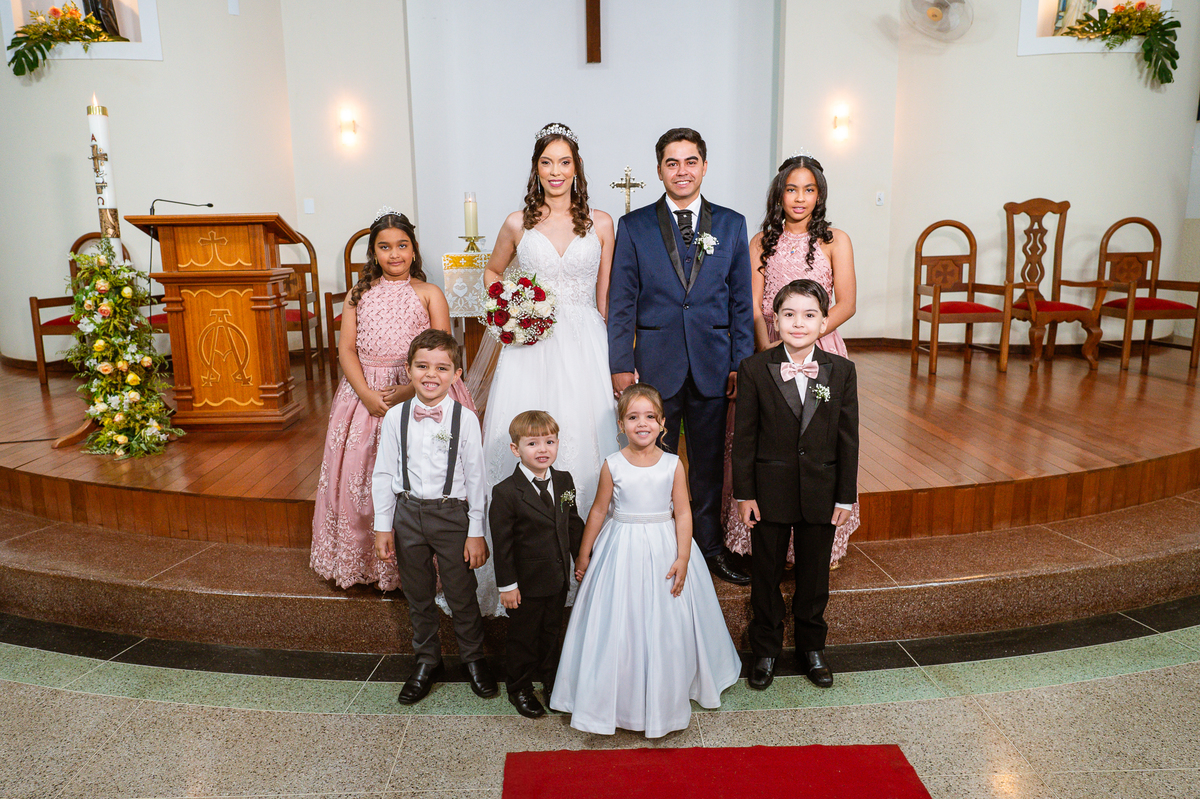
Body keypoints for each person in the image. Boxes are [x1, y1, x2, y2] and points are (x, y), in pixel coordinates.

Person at [477, 123, 618, 616]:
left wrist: (617, 355)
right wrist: (513, 305)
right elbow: (492, 271)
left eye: (564, 162)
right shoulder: (518, 222)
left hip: (585, 342)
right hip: (532, 345)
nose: (556, 172)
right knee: (528, 430)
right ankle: (521, 566)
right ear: (535, 169)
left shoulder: (601, 223)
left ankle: (586, 564)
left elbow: (605, 294)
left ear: (576, 168)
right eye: (546, 162)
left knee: (586, 436)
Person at [607, 127, 756, 586]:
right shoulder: (634, 227)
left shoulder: (731, 224)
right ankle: (661, 548)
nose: (682, 171)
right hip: (656, 364)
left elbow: (741, 303)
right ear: (659, 170)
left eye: (691, 161)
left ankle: (708, 549)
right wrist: (621, 364)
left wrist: (740, 363)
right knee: (656, 462)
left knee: (708, 466)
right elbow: (621, 302)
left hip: (714, 365)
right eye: (672, 163)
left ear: (704, 167)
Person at [551, 384, 740, 738]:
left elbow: (683, 513)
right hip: (620, 546)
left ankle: (669, 689)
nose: (642, 423)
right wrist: (584, 553)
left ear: (663, 423)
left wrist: (683, 557)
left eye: (650, 417)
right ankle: (616, 696)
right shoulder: (612, 465)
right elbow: (598, 511)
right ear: (621, 424)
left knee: (667, 621)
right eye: (633, 417)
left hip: (665, 546)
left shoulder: (672, 464)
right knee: (619, 621)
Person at [311, 209, 474, 591]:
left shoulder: (429, 293)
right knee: (364, 474)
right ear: (374, 252)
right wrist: (366, 394)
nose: (394, 254)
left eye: (402, 245)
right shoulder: (358, 295)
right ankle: (368, 562)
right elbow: (346, 349)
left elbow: (443, 352)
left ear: (414, 250)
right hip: (365, 393)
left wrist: (409, 390)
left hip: (421, 387)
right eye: (385, 247)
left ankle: (427, 563)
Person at [722, 155, 860, 569]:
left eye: (809, 190)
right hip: (770, 345)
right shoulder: (761, 242)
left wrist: (811, 332)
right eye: (792, 189)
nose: (800, 198)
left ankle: (815, 545)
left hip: (819, 344)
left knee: (819, 440)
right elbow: (752, 304)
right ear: (779, 194)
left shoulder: (835, 240)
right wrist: (770, 348)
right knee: (768, 439)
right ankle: (768, 541)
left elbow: (847, 302)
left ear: (819, 195)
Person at [733, 280, 859, 691]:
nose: (798, 323)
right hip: (769, 490)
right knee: (766, 573)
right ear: (775, 320)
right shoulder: (755, 369)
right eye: (789, 314)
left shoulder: (842, 371)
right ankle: (766, 649)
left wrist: (845, 497)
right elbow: (744, 437)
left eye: (809, 315)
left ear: (824, 322)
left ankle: (812, 647)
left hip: (822, 490)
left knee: (814, 575)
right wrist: (745, 494)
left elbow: (848, 439)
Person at [372, 329, 496, 704]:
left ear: (456, 374)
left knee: (461, 594)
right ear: (408, 369)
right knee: (419, 594)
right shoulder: (395, 417)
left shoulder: (465, 419)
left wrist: (476, 531)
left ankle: (473, 659)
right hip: (408, 513)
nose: (431, 375)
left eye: (442, 368)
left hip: (452, 516)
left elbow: (477, 479)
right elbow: (383, 473)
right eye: (422, 366)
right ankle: (427, 660)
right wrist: (383, 526)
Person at [489, 410, 585, 719]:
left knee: (551, 633)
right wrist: (507, 586)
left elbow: (572, 523)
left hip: (557, 579)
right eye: (532, 443)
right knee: (524, 637)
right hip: (525, 584)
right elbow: (502, 545)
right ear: (515, 449)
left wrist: (583, 558)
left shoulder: (564, 480)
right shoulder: (506, 492)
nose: (543, 449)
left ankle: (552, 681)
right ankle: (519, 687)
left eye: (549, 441)